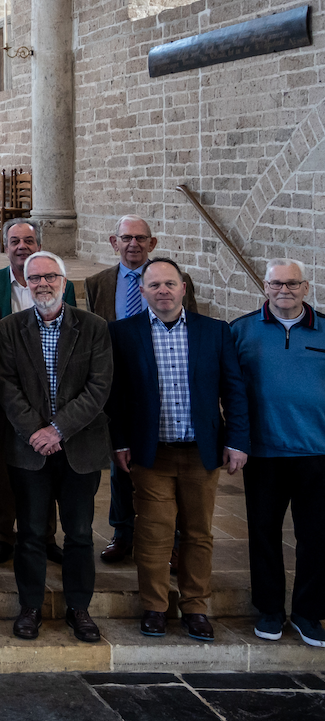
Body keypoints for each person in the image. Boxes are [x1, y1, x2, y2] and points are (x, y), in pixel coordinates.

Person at [109, 258, 248, 642]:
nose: (163, 291)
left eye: (170, 284)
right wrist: (120, 441)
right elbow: (116, 396)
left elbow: (233, 390)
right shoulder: (123, 333)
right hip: (151, 453)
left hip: (200, 451)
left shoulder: (214, 332)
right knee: (153, 532)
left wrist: (237, 440)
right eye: (154, 285)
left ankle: (196, 607)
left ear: (184, 287)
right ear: (143, 291)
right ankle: (155, 607)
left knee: (198, 533)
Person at [0, 252, 112, 644]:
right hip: (30, 450)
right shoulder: (10, 327)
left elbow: (99, 387)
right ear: (25, 283)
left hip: (79, 448)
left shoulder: (93, 327)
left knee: (79, 533)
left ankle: (79, 608)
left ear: (64, 281)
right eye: (34, 278)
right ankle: (29, 607)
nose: (42, 284)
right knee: (29, 532)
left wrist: (58, 430)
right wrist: (36, 432)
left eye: (50, 277)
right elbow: (7, 386)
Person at [85, 215, 199, 566]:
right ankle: (123, 532)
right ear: (113, 242)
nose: (133, 244)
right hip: (118, 381)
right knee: (121, 459)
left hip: (164, 378)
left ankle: (175, 539)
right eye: (126, 238)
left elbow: (189, 327)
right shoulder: (97, 282)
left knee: (167, 463)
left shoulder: (173, 280)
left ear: (152, 243)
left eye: (140, 238)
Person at [230, 259, 325, 646]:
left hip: (317, 451)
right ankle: (270, 610)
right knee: (264, 534)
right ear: (265, 287)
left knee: (316, 536)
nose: (284, 290)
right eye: (276, 284)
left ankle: (307, 612)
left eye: (292, 284)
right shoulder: (241, 330)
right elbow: (230, 389)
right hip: (265, 452)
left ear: (305, 287)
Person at [0, 219, 72, 566]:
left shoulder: (64, 285)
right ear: (5, 246)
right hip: (8, 393)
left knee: (45, 467)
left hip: (49, 396)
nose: (22, 246)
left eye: (29, 240)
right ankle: (4, 534)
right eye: (15, 240)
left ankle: (45, 535)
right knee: (5, 471)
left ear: (39, 245)